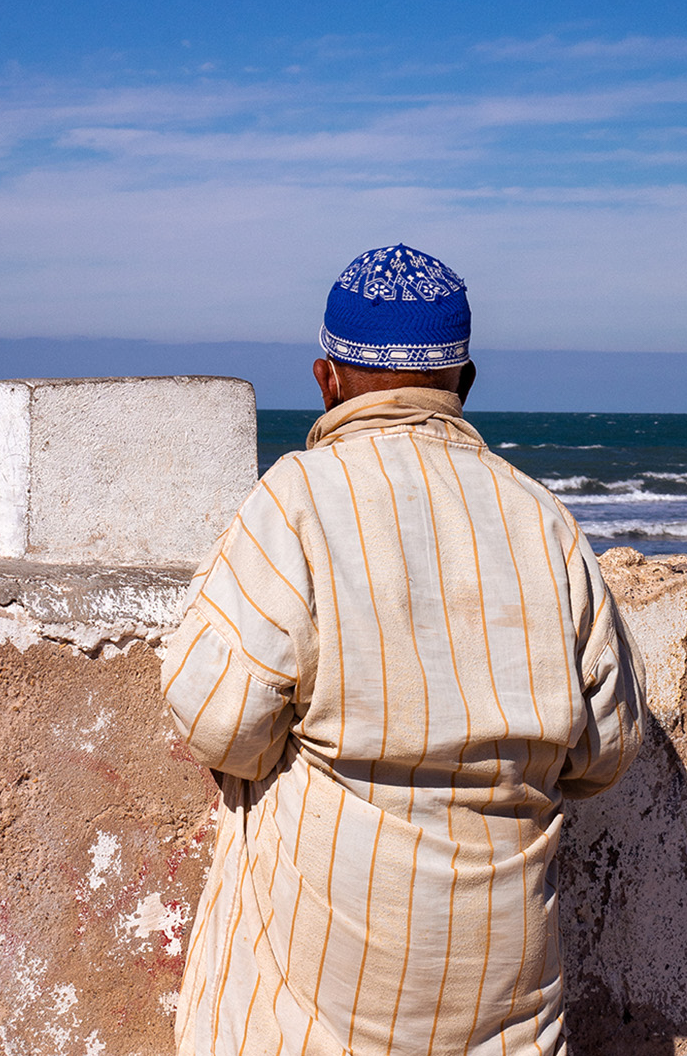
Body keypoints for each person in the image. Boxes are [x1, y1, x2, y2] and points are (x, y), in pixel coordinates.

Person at [161, 243, 648, 1055]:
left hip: (318, 1017)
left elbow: (221, 724)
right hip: (507, 1014)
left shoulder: (298, 501)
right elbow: (606, 750)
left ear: (326, 378)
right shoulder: (544, 520)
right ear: (465, 383)